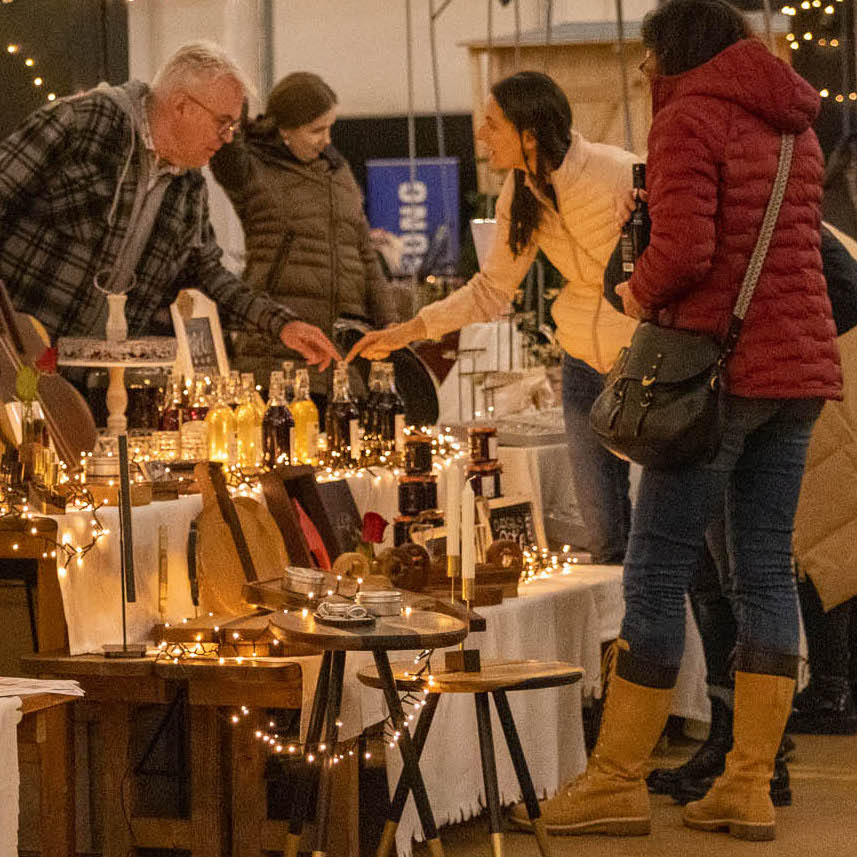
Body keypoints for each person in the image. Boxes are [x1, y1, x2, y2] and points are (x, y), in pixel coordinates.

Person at [509, 0, 841, 842]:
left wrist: (634, 286)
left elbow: (687, 253)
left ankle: (617, 777)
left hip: (714, 375)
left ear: (671, 52)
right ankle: (746, 783)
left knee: (655, 566)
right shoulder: (793, 124)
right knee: (762, 572)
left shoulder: (690, 116)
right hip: (794, 372)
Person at [348, 70, 640, 563]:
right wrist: (409, 332)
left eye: (491, 124)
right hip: (582, 365)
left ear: (530, 132)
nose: (480, 135)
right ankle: (618, 638)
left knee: (669, 530)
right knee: (605, 530)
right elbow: (490, 289)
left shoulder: (619, 174)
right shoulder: (518, 192)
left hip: (641, 362)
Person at [0, 42, 339, 370]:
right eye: (224, 122)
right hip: (14, 356)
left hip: (94, 379)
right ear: (181, 106)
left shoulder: (189, 186)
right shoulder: (81, 124)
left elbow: (208, 274)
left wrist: (283, 325)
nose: (229, 137)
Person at [209, 72, 399, 386]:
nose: (327, 140)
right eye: (316, 130)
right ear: (284, 129)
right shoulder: (250, 168)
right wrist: (234, 89)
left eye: (329, 128)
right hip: (274, 349)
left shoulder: (338, 172)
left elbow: (365, 254)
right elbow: (226, 151)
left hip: (342, 351)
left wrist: (389, 322)